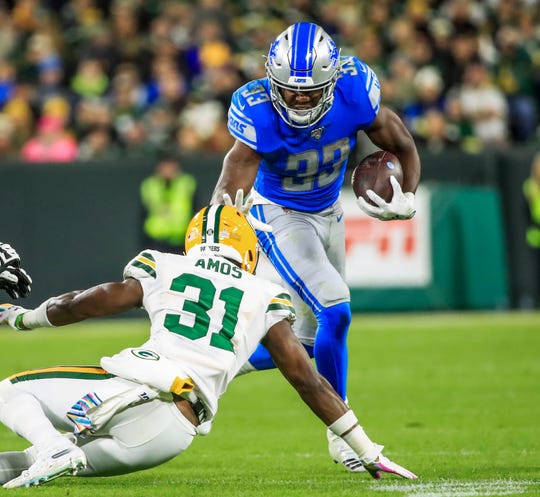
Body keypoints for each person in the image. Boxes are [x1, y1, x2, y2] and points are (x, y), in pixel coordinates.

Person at [0, 204, 417, 488]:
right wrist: (364, 448)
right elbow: (308, 381)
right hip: (172, 434)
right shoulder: (263, 294)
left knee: (10, 391)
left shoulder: (164, 265)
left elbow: (87, 302)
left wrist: (23, 317)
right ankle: (54, 450)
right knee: (25, 461)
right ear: (248, 247)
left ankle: (54, 447)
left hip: (138, 391)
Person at [210, 22, 420, 472]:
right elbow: (235, 170)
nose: (300, 99)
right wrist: (221, 227)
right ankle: (342, 431)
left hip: (330, 213)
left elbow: (401, 143)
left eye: (310, 91)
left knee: (305, 344)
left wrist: (410, 196)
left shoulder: (355, 90)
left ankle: (217, 362)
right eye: (289, 91)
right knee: (336, 308)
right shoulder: (257, 109)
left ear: (331, 79)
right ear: (272, 80)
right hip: (278, 214)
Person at [140, 155, 198, 253]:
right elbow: (142, 216)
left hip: (181, 241)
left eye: (171, 165)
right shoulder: (149, 185)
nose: (168, 169)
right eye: (165, 165)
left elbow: (196, 212)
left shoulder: (187, 183)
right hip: (156, 241)